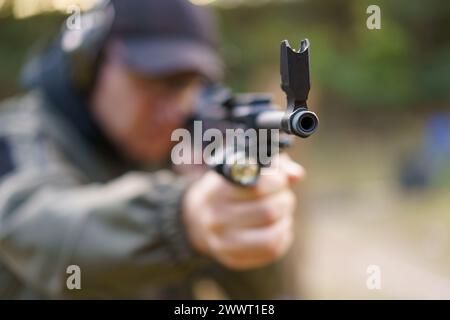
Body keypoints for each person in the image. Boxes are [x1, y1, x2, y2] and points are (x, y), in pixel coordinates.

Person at [0, 0, 304, 299]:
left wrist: (247, 224)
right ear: (89, 66)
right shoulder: (20, 135)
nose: (173, 108)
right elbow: (37, 232)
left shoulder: (185, 145)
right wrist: (185, 218)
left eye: (187, 85)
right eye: (151, 80)